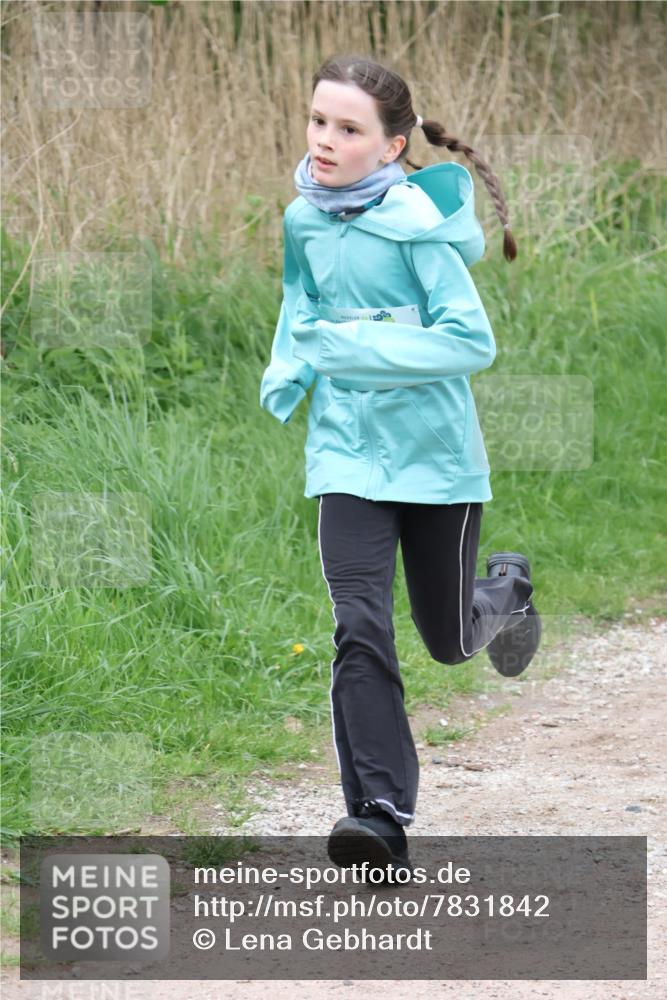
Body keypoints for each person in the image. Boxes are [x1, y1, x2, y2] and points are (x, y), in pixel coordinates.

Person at [259, 53, 541, 881]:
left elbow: (469, 343)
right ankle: (379, 818)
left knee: (448, 639)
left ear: (390, 147)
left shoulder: (418, 228)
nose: (324, 139)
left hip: (435, 462)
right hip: (344, 453)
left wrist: (352, 345)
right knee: (357, 623)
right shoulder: (302, 219)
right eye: (318, 120)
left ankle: (507, 591)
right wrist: (291, 368)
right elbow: (301, 301)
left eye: (347, 129)